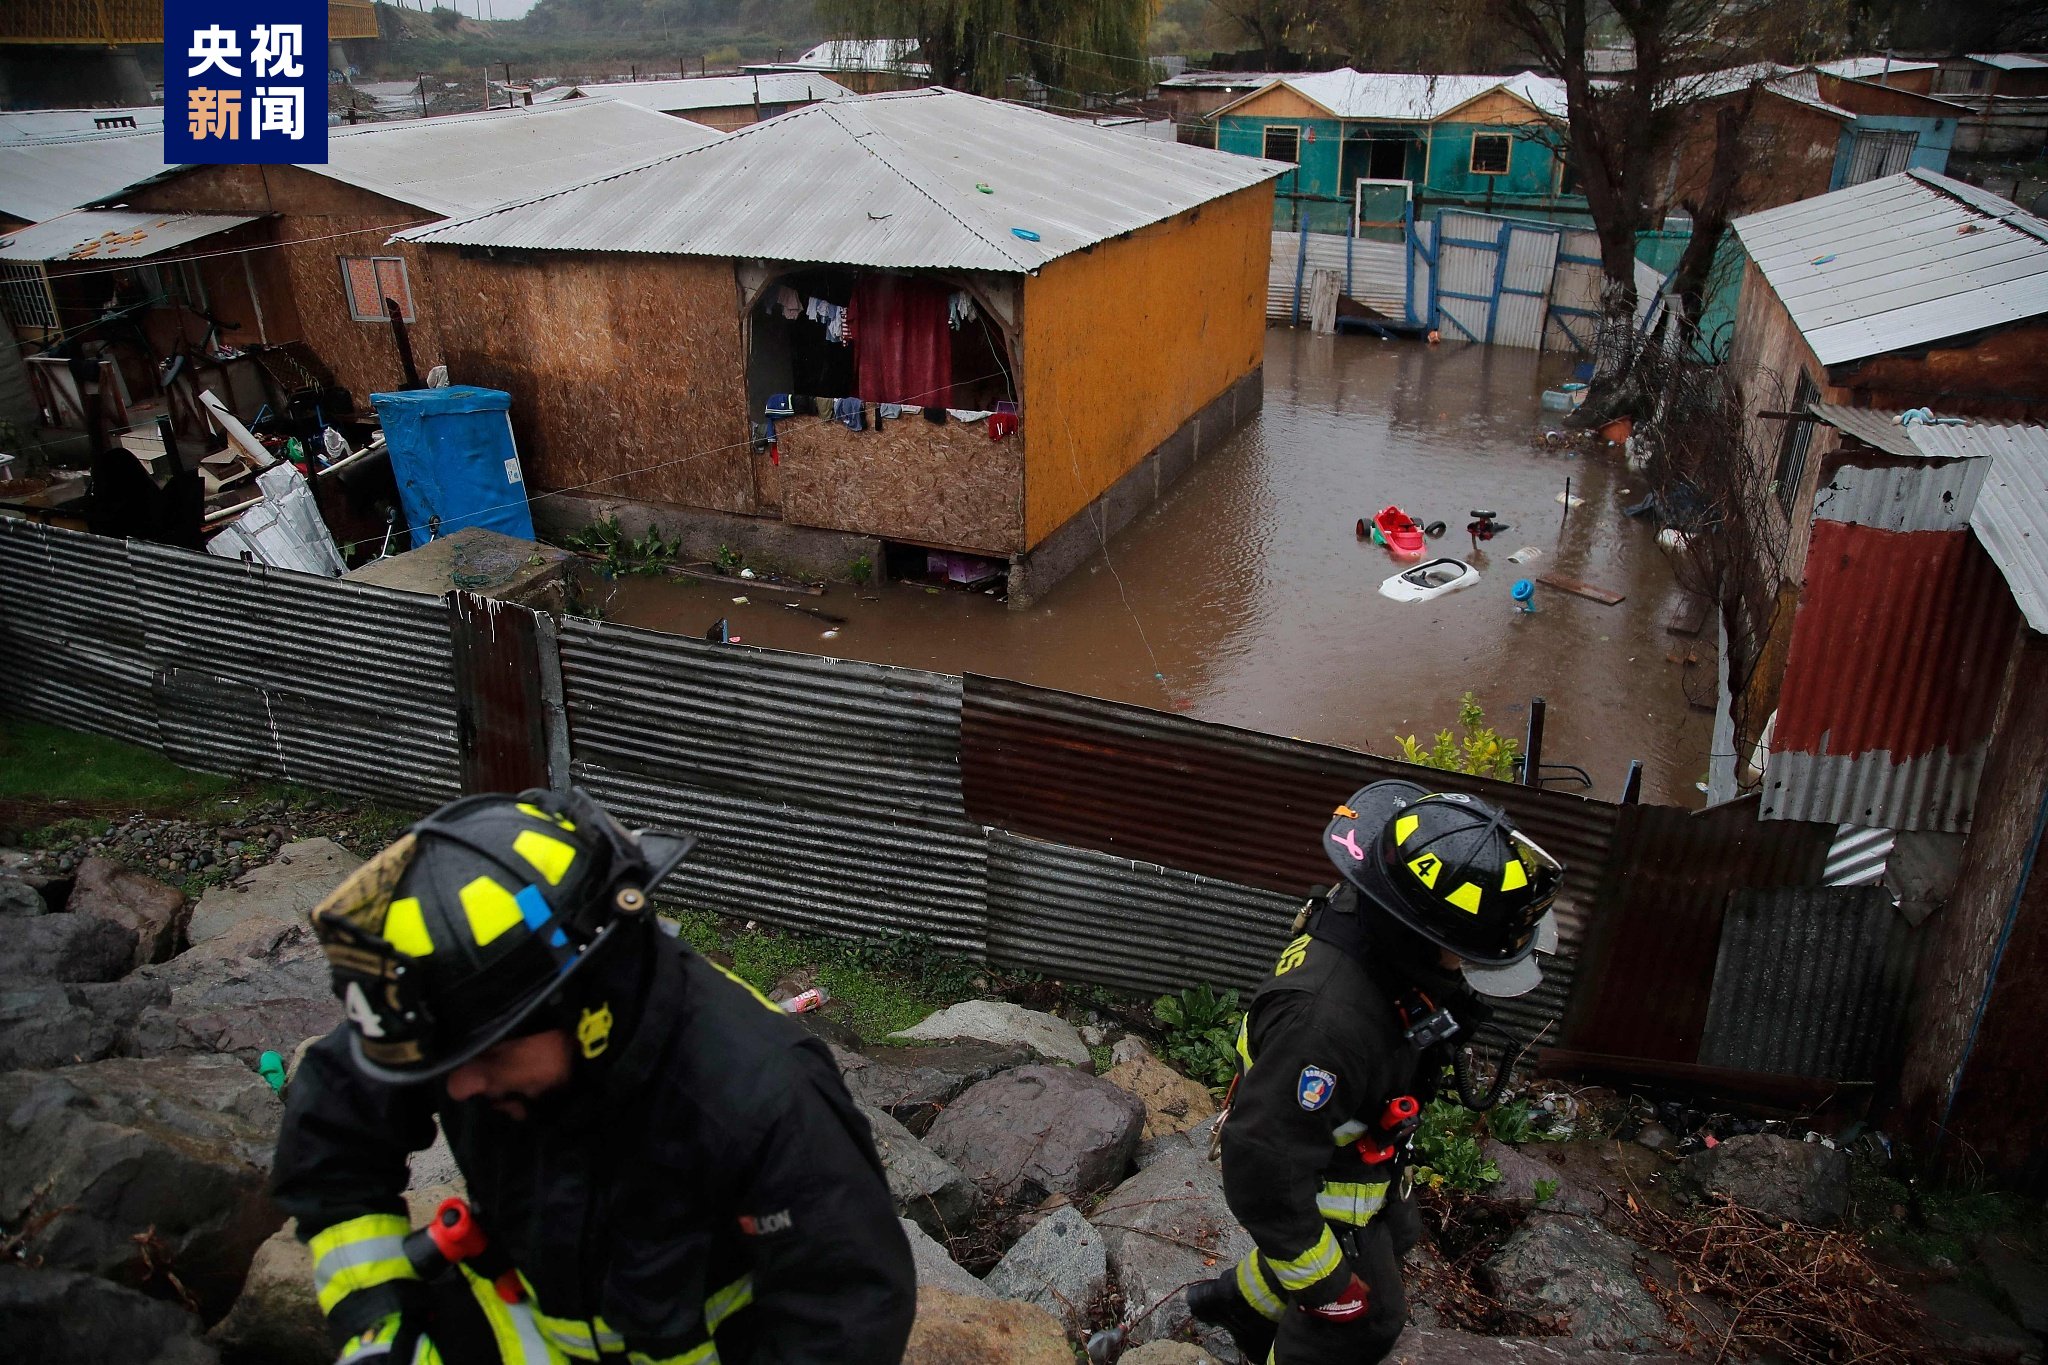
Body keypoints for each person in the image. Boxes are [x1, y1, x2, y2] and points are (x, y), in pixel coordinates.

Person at [274, 787, 917, 1365]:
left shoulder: (760, 1095)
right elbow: (336, 1125)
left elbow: (844, 1319)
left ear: (588, 1006)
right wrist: (375, 1319)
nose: (459, 1088)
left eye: (487, 1058)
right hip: (518, 1326)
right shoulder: (457, 1026)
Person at [1187, 781, 1563, 1365]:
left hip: (1345, 1132)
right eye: (1459, 954)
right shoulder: (1327, 1027)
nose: (1464, 969)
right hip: (1315, 1165)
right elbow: (1263, 1163)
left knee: (1399, 1232)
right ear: (1415, 933)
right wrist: (1329, 1291)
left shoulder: (1370, 909)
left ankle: (1238, 1304)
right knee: (1365, 1321)